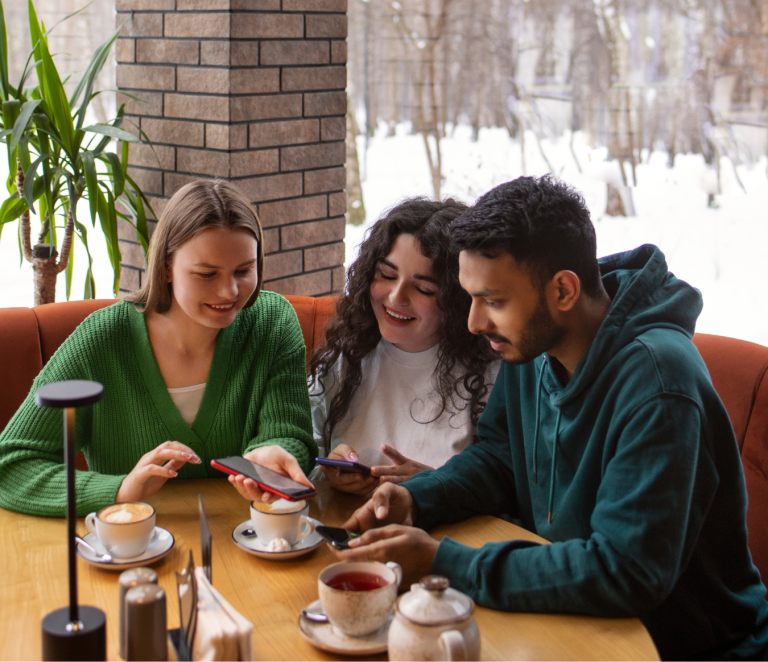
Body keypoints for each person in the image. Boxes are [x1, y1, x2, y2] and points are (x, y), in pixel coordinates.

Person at [336, 176, 768, 661]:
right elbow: (500, 457)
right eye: (470, 297)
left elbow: (625, 571)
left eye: (493, 301)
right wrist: (416, 499)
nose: (475, 323)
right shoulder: (533, 345)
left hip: (685, 646)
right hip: (565, 624)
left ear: (564, 289)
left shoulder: (660, 384)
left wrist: (445, 562)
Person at [0, 179, 316, 516]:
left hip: (250, 549)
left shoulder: (273, 322)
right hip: (128, 553)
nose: (229, 291)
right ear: (166, 267)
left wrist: (276, 452)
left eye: (244, 270)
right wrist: (119, 490)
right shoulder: (102, 339)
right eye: (207, 274)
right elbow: (12, 466)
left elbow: (291, 436)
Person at [308, 198, 499, 495]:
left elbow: (505, 486)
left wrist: (437, 487)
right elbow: (302, 461)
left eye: (424, 289)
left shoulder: (492, 375)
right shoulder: (346, 359)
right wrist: (327, 474)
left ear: (459, 301)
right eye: (386, 275)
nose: (396, 298)